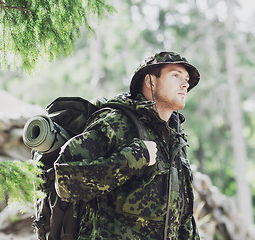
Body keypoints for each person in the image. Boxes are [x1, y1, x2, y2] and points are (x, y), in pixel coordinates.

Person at [54, 51, 201, 239]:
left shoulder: (174, 141)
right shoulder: (116, 123)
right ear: (150, 81)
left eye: (187, 79)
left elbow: (183, 217)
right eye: (175, 75)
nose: (185, 84)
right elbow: (66, 183)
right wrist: (131, 160)